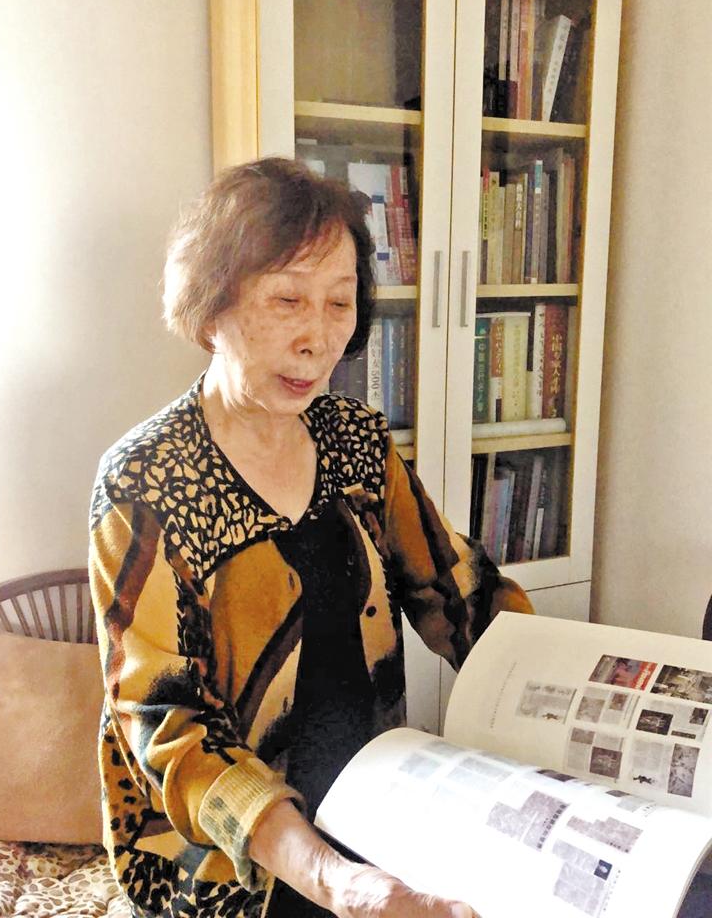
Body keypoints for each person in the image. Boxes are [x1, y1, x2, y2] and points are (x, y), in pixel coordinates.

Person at [89, 156, 533, 918]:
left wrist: (586, 695)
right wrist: (331, 880)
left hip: (372, 817)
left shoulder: (355, 438)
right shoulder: (144, 479)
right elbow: (168, 726)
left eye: (340, 303)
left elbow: (458, 593)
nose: (319, 340)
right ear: (210, 309)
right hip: (233, 866)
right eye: (288, 300)